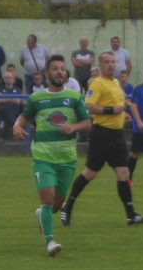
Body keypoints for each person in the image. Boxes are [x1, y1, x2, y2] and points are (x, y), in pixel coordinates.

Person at [60, 51, 143, 227]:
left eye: (113, 62)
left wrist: (123, 114)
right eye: (107, 62)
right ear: (101, 65)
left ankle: (131, 215)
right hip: (101, 134)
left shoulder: (116, 82)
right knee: (91, 173)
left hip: (117, 135)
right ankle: (67, 206)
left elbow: (118, 104)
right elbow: (88, 105)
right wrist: (111, 111)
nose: (111, 64)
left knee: (123, 174)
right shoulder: (97, 83)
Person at [12, 55, 92, 257]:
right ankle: (50, 242)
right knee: (48, 200)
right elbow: (22, 119)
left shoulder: (74, 97)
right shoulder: (37, 98)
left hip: (67, 159)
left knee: (56, 204)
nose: (59, 72)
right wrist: (16, 126)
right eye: (55, 69)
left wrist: (73, 126)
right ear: (47, 74)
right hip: (43, 157)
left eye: (62, 69)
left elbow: (88, 123)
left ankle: (42, 214)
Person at [0, 68, 24, 140]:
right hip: (3, 110)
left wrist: (6, 98)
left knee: (7, 117)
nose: (8, 79)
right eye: (6, 78)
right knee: (6, 110)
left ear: (13, 79)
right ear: (3, 80)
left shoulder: (18, 89)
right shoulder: (0, 89)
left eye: (10, 77)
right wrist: (12, 98)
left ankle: (3, 138)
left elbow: (18, 101)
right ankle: (16, 126)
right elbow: (0, 100)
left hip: (15, 111)